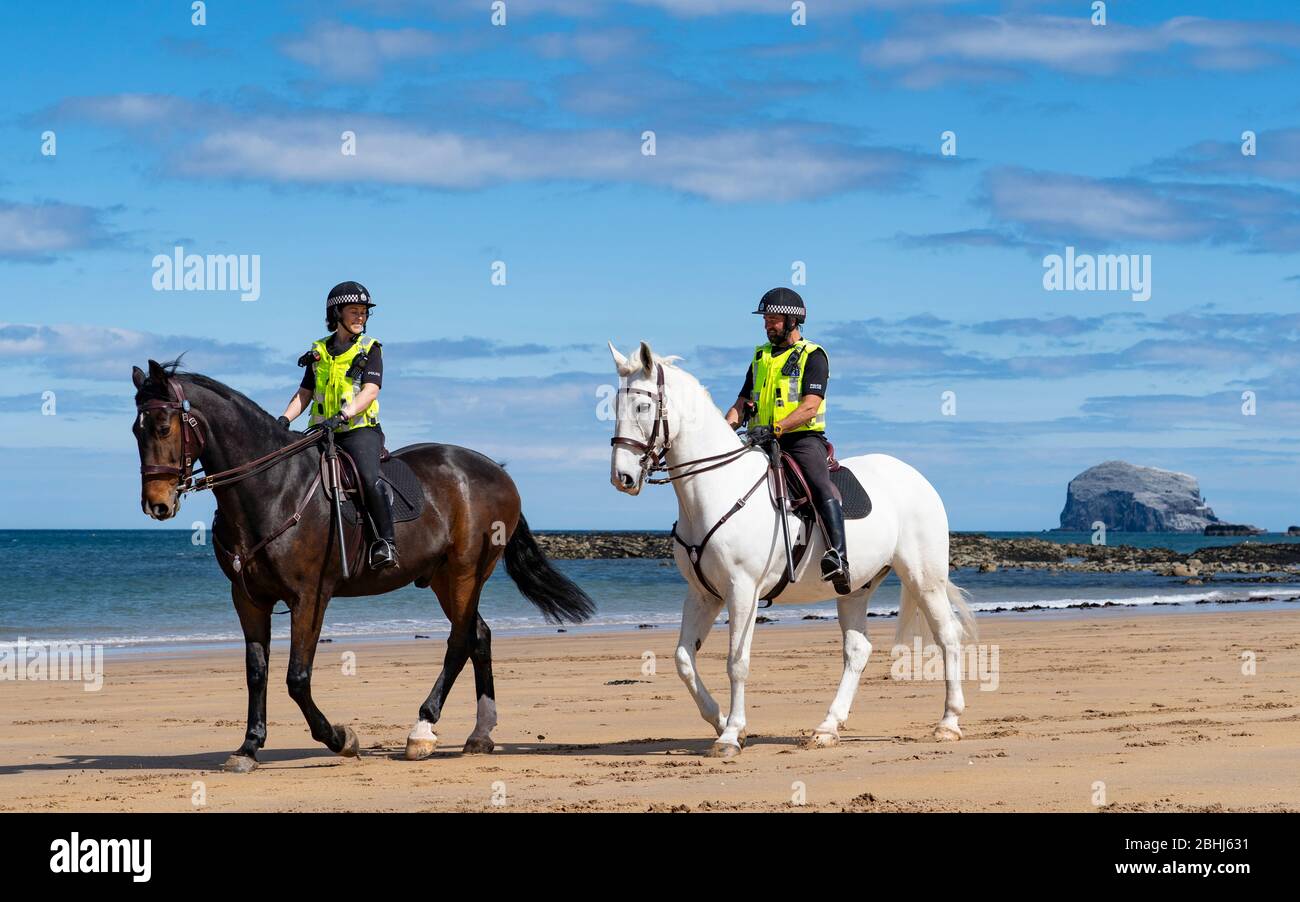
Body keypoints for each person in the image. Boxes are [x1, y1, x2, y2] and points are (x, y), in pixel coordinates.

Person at [724, 287, 849, 594]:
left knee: (820, 486)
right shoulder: (759, 356)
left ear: (793, 321)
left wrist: (776, 429)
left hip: (802, 440)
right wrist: (725, 428)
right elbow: (741, 403)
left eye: (774, 318)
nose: (768, 324)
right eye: (766, 318)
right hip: (760, 440)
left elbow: (810, 405)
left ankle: (839, 557)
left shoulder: (813, 355)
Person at [277, 281, 397, 569]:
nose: (360, 317)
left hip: (358, 431)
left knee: (368, 479)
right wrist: (283, 420)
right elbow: (304, 393)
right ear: (337, 313)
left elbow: (370, 392)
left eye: (364, 312)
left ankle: (386, 544)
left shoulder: (370, 349)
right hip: (322, 432)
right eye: (354, 311)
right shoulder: (318, 351)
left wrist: (342, 416)